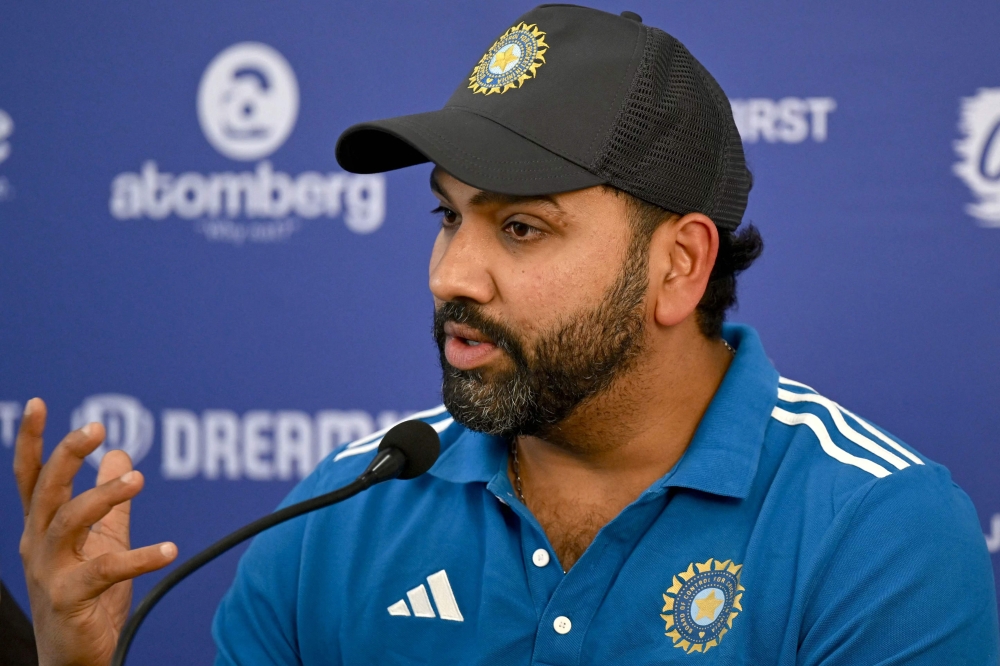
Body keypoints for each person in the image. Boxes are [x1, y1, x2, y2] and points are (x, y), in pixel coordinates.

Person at [15, 5, 998, 664]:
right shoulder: (340, 513)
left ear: (679, 266)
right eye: (448, 217)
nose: (450, 274)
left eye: (521, 228)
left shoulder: (878, 535)